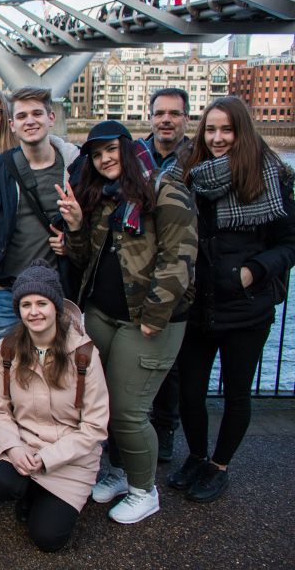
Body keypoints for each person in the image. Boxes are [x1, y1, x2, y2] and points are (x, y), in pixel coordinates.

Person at [58, 121, 197, 523]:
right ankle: (120, 473)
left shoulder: (167, 190)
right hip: (103, 314)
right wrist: (75, 224)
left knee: (127, 410)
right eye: (96, 155)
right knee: (102, 404)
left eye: (110, 150)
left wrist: (155, 316)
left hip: (145, 320)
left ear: (128, 149)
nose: (104, 160)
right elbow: (84, 259)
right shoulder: (106, 198)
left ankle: (144, 491)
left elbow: (179, 258)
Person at [167, 96, 295, 503]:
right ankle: (197, 457)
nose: (218, 138)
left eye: (227, 129)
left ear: (242, 132)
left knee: (237, 393)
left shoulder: (269, 176)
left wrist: (251, 271)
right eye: (211, 129)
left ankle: (219, 467)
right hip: (196, 304)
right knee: (191, 392)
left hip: (246, 308)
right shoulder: (187, 174)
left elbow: (289, 242)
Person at [0, 259, 109, 552]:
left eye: (42, 303)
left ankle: (49, 495)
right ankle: (30, 492)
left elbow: (94, 427)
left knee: (48, 539)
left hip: (70, 455)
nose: (34, 312)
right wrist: (13, 447)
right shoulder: (7, 349)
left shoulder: (84, 354)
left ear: (56, 306)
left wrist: (49, 456)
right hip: (24, 443)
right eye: (26, 305)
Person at [0, 86, 80, 343]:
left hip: (56, 290)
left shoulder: (75, 166)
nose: (30, 121)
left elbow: (86, 225)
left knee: (56, 364)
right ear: (12, 125)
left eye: (37, 113)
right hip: (6, 291)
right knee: (5, 364)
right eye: (22, 116)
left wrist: (72, 241)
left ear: (51, 118)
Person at [135, 87, 192, 461]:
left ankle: (166, 430)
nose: (166, 120)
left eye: (174, 114)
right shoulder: (135, 156)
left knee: (171, 367)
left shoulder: (197, 158)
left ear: (186, 119)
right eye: (159, 113)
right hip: (138, 270)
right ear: (150, 117)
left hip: (178, 270)